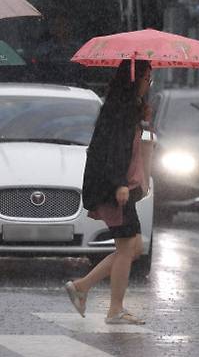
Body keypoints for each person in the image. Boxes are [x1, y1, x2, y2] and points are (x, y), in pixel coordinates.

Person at [64, 60, 153, 325]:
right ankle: (115, 309)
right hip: (117, 190)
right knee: (127, 248)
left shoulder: (130, 109)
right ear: (133, 79)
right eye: (146, 77)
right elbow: (112, 151)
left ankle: (82, 286)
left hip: (126, 188)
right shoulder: (120, 111)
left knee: (133, 247)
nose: (148, 83)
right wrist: (119, 184)